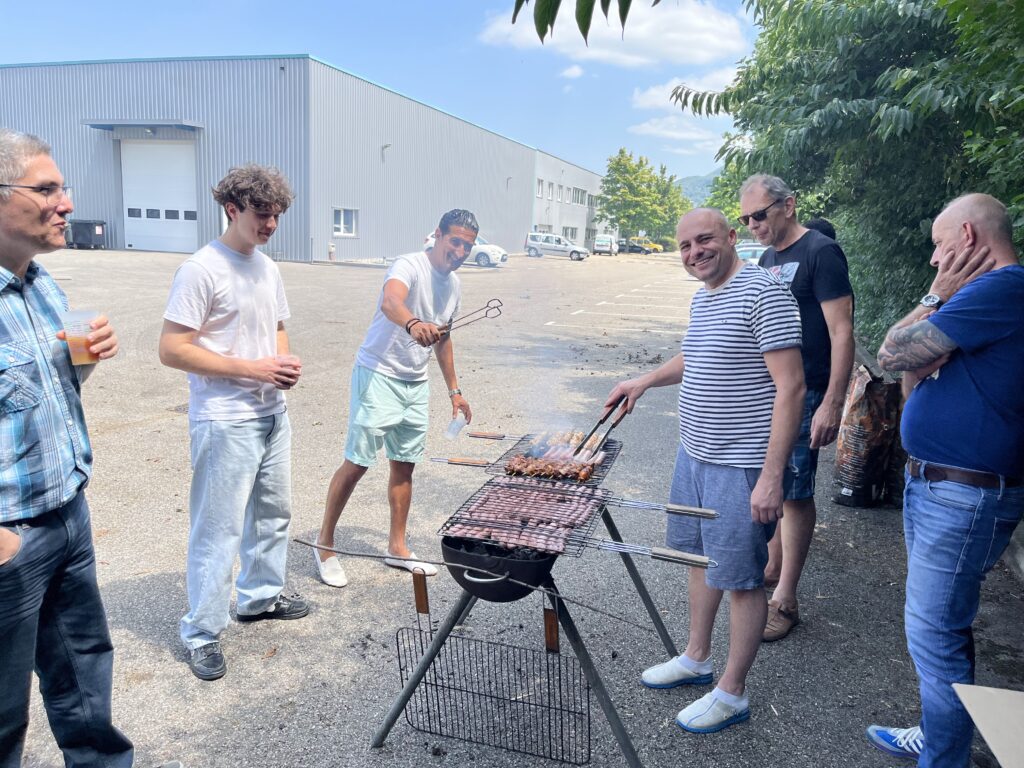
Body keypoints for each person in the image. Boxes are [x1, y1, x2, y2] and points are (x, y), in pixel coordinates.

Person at [606, 208, 804, 733]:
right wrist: (643, 380)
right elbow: (695, 356)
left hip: (740, 466)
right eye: (686, 246)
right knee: (697, 558)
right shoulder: (707, 296)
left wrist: (770, 476)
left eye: (705, 240)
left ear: (732, 237)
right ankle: (697, 657)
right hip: (693, 453)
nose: (695, 252)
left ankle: (732, 693)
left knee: (741, 579)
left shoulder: (766, 293)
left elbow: (792, 388)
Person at [867, 193, 1024, 767]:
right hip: (942, 488)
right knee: (941, 632)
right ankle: (940, 740)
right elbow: (910, 366)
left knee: (935, 639)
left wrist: (936, 299)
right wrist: (923, 350)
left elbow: (890, 352)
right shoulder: (987, 300)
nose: (936, 259)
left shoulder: (1000, 288)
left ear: (967, 236)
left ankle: (944, 758)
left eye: (939, 245)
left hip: (962, 494)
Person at [0, 129, 133, 766]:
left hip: (66, 512)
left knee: (84, 677)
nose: (67, 203)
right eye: (47, 189)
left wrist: (85, 360)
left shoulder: (41, 284)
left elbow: (37, 393)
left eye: (63, 187)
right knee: (2, 713)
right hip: (10, 537)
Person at [159, 164, 309, 682]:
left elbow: (279, 326)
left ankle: (260, 598)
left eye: (276, 216)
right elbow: (172, 349)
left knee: (273, 514)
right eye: (261, 214)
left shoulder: (267, 268)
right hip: (225, 420)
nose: (269, 224)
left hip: (271, 414)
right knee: (218, 530)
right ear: (232, 209)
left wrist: (282, 364)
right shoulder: (201, 269)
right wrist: (253, 369)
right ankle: (201, 630)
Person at [314, 209, 474, 587]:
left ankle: (397, 548)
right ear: (438, 235)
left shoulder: (454, 286)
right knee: (357, 461)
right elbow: (391, 302)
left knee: (405, 465)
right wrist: (413, 323)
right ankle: (324, 545)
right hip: (379, 373)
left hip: (414, 383)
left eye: (467, 245)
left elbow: (445, 338)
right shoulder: (410, 265)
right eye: (455, 241)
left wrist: (455, 391)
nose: (460, 251)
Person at [740, 174, 855, 641]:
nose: (753, 225)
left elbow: (842, 331)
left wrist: (833, 401)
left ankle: (785, 600)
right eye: (745, 218)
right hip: (775, 389)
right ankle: (774, 562)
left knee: (794, 491)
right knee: (778, 477)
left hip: (809, 390)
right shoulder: (769, 258)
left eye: (760, 215)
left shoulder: (820, 252)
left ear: (789, 205)